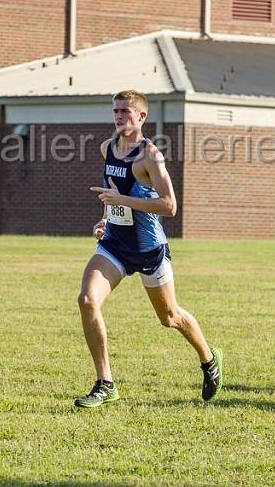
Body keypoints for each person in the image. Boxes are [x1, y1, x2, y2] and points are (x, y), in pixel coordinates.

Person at [74, 89, 222, 408]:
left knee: (169, 317)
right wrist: (105, 218)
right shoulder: (107, 148)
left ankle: (209, 360)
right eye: (115, 111)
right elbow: (114, 193)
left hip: (148, 248)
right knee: (87, 300)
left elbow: (169, 206)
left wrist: (122, 202)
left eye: (126, 112)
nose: (119, 117)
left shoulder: (150, 156)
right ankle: (105, 383)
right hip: (114, 245)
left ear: (142, 117)